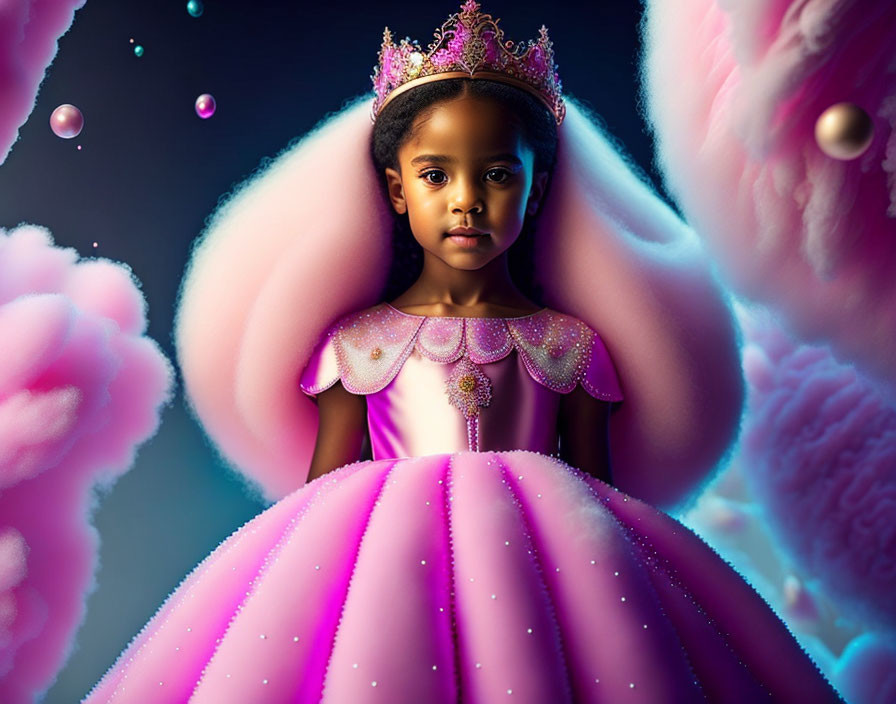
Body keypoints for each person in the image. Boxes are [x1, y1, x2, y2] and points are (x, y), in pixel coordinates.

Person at [83, 2, 844, 702]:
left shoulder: (569, 346)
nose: (466, 201)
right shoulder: (358, 345)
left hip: (551, 584)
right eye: (436, 175)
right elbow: (316, 500)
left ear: (537, 189)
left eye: (498, 175)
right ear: (394, 188)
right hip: (375, 580)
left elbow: (601, 507)